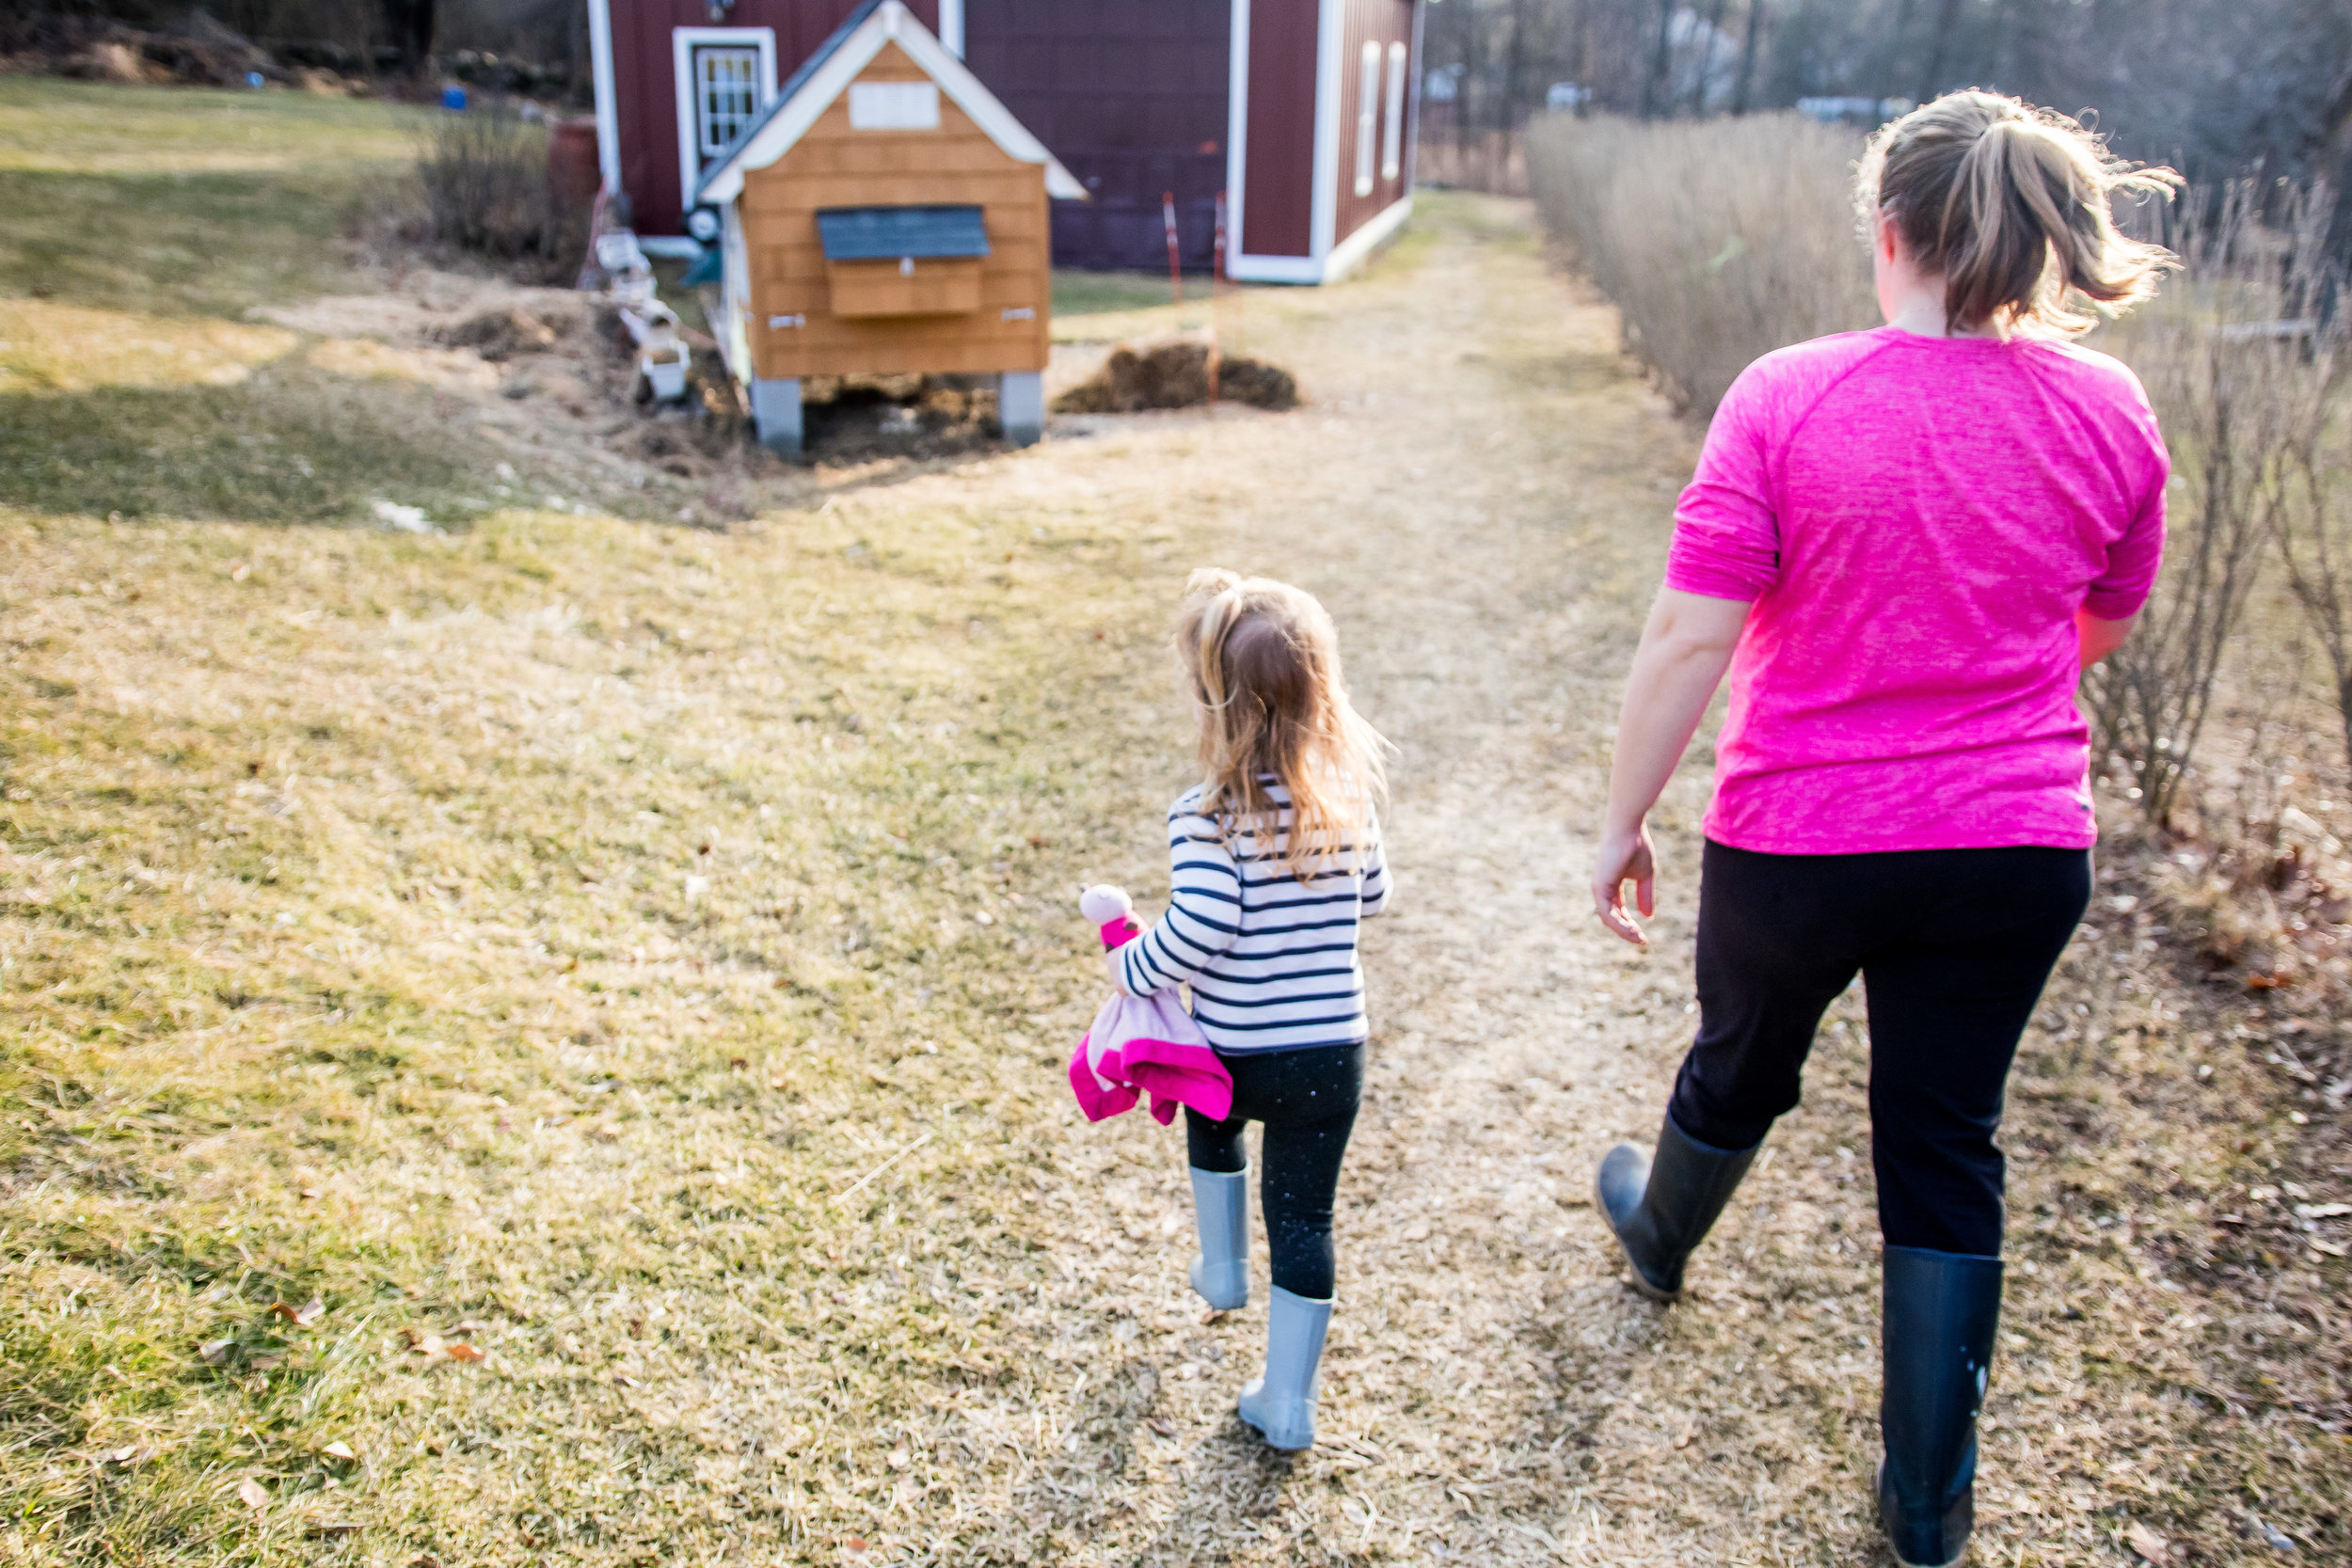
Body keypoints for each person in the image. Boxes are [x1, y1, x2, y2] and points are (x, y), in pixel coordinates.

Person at [1586, 91, 2178, 1568]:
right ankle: (1926, 1510)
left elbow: (1684, 640)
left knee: (1742, 1057)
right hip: (2016, 848)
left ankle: (1660, 1233)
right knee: (1943, 1132)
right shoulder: (2111, 410)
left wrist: (1624, 818)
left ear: (1892, 232)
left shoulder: (1790, 394)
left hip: (1802, 840)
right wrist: (1981, 686)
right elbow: (2104, 613)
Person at [1110, 568, 1392, 1452]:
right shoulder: (1346, 802)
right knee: (1306, 1218)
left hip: (1235, 1052)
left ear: (1214, 706)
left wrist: (1132, 964)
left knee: (1213, 1125)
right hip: (1332, 1054)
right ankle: (1289, 1402)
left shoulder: (1205, 817)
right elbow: (1375, 895)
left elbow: (1200, 925)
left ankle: (1225, 1268)